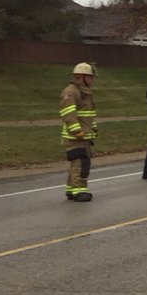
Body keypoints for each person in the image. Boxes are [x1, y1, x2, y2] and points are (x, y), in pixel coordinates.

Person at [60, 62, 98, 202]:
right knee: (81, 163)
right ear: (82, 77)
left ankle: (71, 189)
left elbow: (88, 114)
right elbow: (68, 114)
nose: (92, 80)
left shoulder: (85, 92)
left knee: (78, 162)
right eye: (90, 77)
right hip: (75, 136)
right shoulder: (71, 92)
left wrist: (93, 128)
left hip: (83, 135)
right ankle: (79, 191)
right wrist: (77, 131)